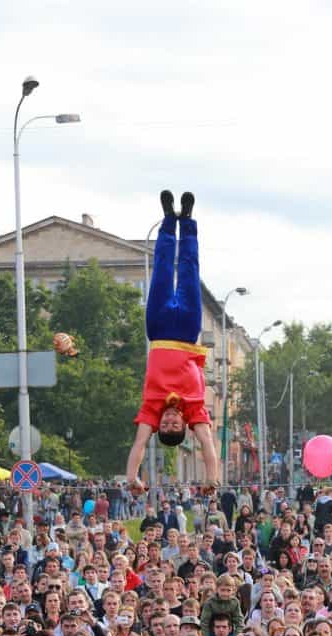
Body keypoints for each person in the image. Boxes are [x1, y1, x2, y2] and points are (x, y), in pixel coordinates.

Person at [125, 191, 219, 493]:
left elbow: (140, 443)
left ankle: (168, 220)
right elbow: (206, 442)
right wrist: (210, 479)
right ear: (183, 427)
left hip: (160, 330)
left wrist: (131, 478)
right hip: (188, 330)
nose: (167, 422)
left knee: (163, 270)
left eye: (164, 427)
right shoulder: (195, 413)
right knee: (189, 269)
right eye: (173, 426)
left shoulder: (151, 410)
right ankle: (187, 221)